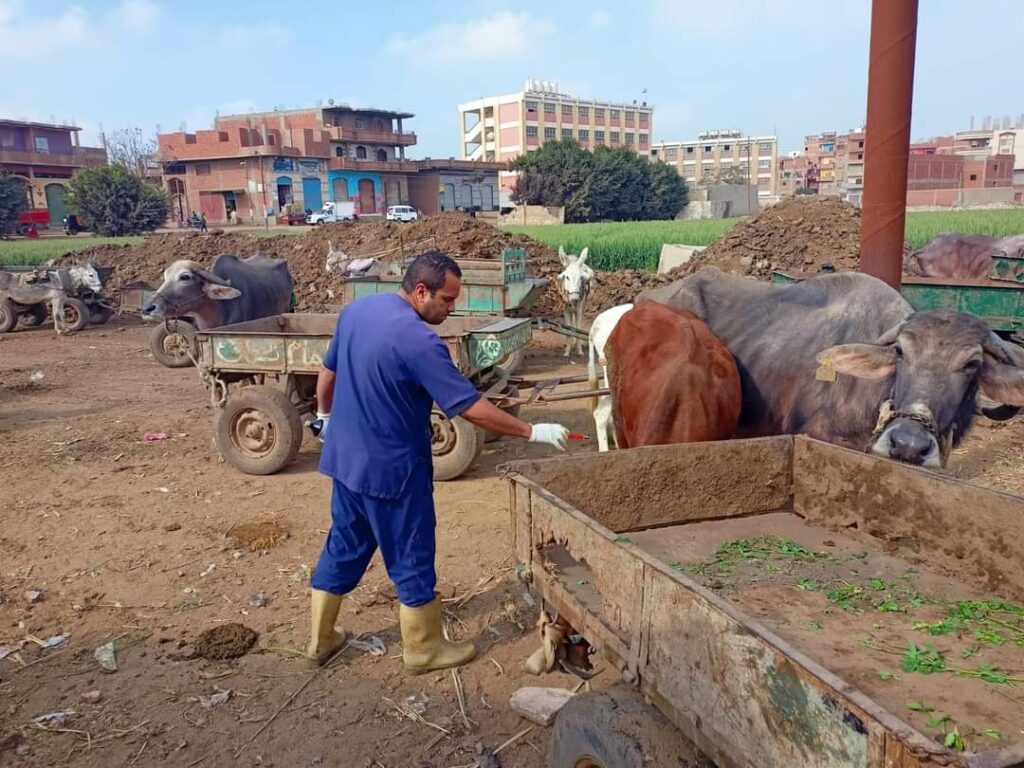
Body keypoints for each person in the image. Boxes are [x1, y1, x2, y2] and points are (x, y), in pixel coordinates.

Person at [307, 251, 569, 671]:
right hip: (393, 472)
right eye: (446, 301)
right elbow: (469, 407)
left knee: (345, 543)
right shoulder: (420, 340)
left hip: (345, 460)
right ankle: (423, 649)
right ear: (421, 290)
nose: (451, 309)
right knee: (411, 552)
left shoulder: (358, 311)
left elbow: (328, 372)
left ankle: (321, 640)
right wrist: (530, 431)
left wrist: (324, 418)